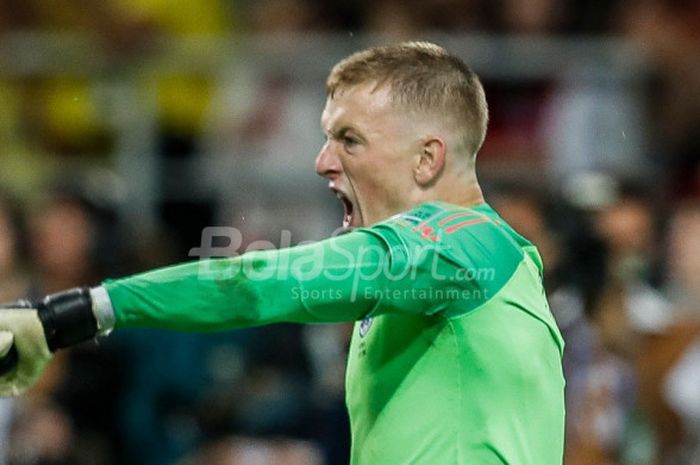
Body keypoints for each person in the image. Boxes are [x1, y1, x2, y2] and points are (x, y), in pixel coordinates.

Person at [0, 41, 566, 465]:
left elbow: (254, 285)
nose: (322, 161)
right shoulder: (451, 277)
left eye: (349, 139)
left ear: (427, 159)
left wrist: (78, 313)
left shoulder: (467, 247)